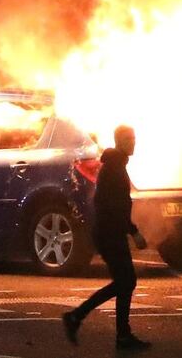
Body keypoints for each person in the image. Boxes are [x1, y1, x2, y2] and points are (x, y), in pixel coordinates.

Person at [62, 125, 151, 350]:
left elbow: (118, 205)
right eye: (129, 139)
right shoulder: (113, 168)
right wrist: (133, 231)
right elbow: (113, 206)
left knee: (125, 282)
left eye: (134, 138)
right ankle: (79, 318)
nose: (133, 142)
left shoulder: (116, 165)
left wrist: (129, 230)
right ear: (119, 141)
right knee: (126, 281)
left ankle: (93, 323)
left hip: (111, 232)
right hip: (109, 234)